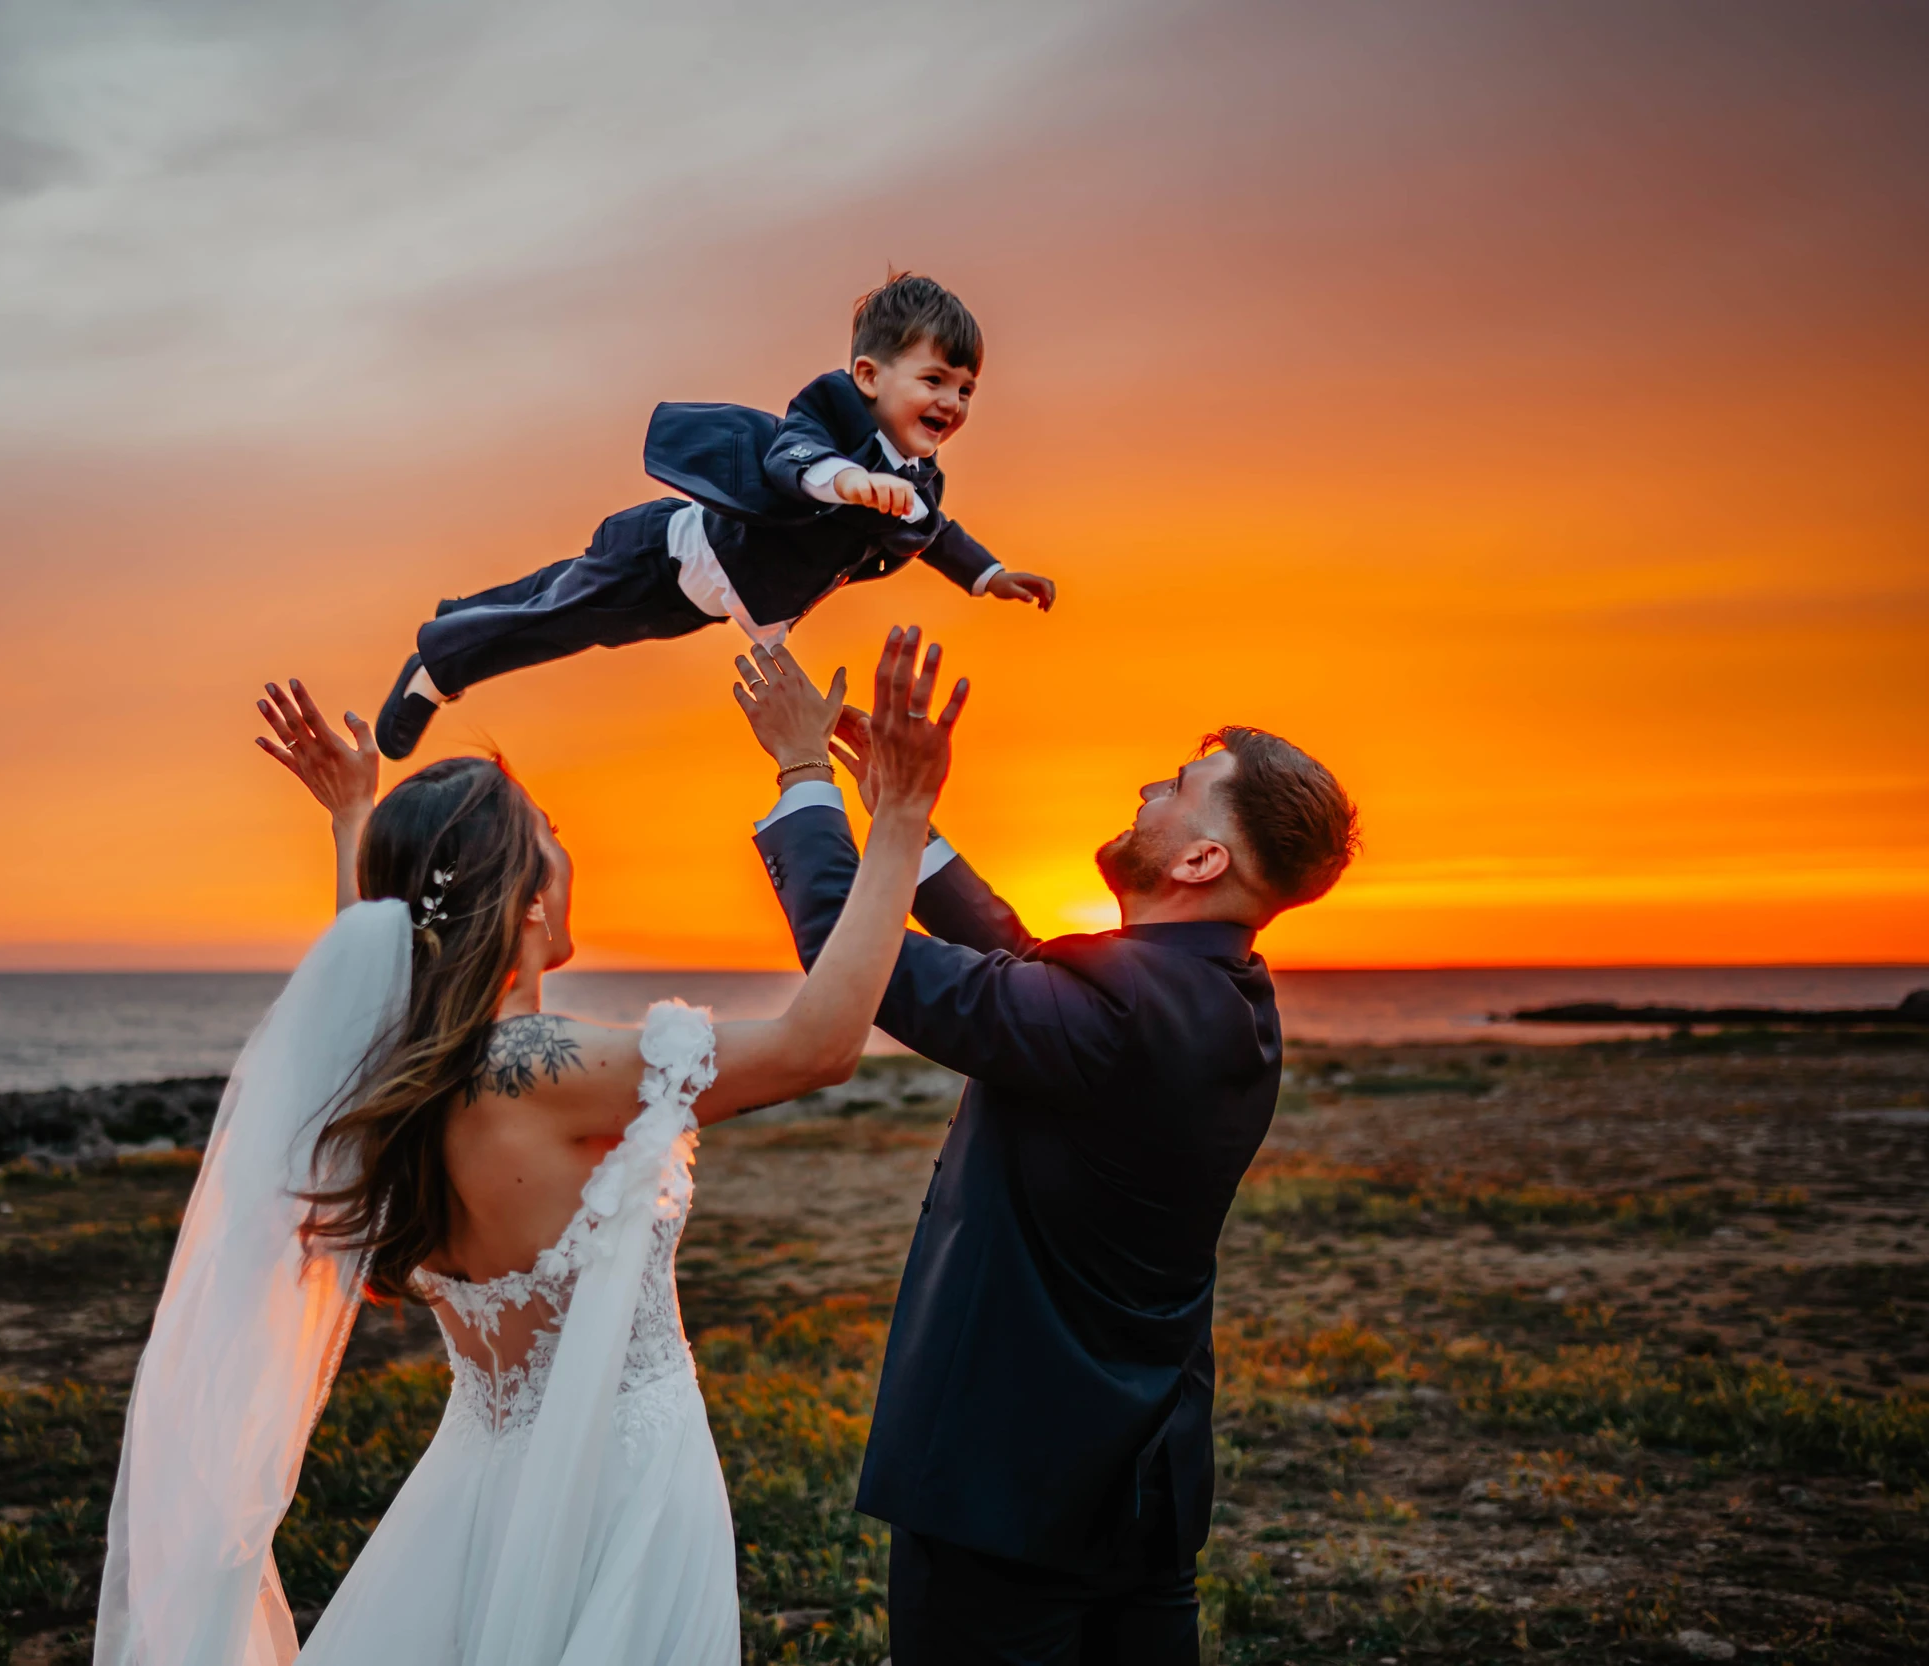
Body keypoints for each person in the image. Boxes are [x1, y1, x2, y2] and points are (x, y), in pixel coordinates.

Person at [93, 627, 966, 1666]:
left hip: (475, 1493)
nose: (565, 848)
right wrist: (897, 813)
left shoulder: (387, 1080)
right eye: (549, 833)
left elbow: (373, 984)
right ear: (529, 899)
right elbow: (818, 1044)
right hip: (623, 1490)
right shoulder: (545, 1069)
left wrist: (354, 822)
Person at [732, 642, 1359, 1666]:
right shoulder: (1229, 1001)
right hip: (1138, 1484)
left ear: (1202, 861)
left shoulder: (1118, 1014)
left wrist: (802, 772)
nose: (1149, 787)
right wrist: (901, 812)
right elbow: (1024, 961)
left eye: (1179, 787)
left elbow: (861, 965)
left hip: (1003, 1491)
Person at [371, 274, 1056, 759]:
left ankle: (461, 617)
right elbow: (794, 458)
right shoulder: (831, 416)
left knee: (560, 606)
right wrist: (847, 481)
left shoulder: (917, 481)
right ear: (871, 377)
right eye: (933, 381)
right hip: (663, 553)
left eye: (966, 389)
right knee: (555, 619)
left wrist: (990, 575)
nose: (953, 402)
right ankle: (435, 663)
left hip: (698, 604)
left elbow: (933, 532)